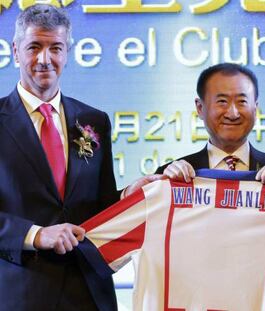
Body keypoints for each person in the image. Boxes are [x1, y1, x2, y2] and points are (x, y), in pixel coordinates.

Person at [0, 4, 158, 310]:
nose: (45, 59)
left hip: (88, 292)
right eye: (34, 47)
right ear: (16, 51)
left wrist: (129, 196)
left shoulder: (93, 120)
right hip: (19, 293)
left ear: (67, 53)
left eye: (55, 48)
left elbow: (99, 205)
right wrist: (36, 235)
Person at [156, 63, 265, 193]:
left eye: (242, 101)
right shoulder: (171, 175)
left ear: (255, 108)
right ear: (200, 108)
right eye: (222, 101)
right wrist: (163, 188)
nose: (233, 113)